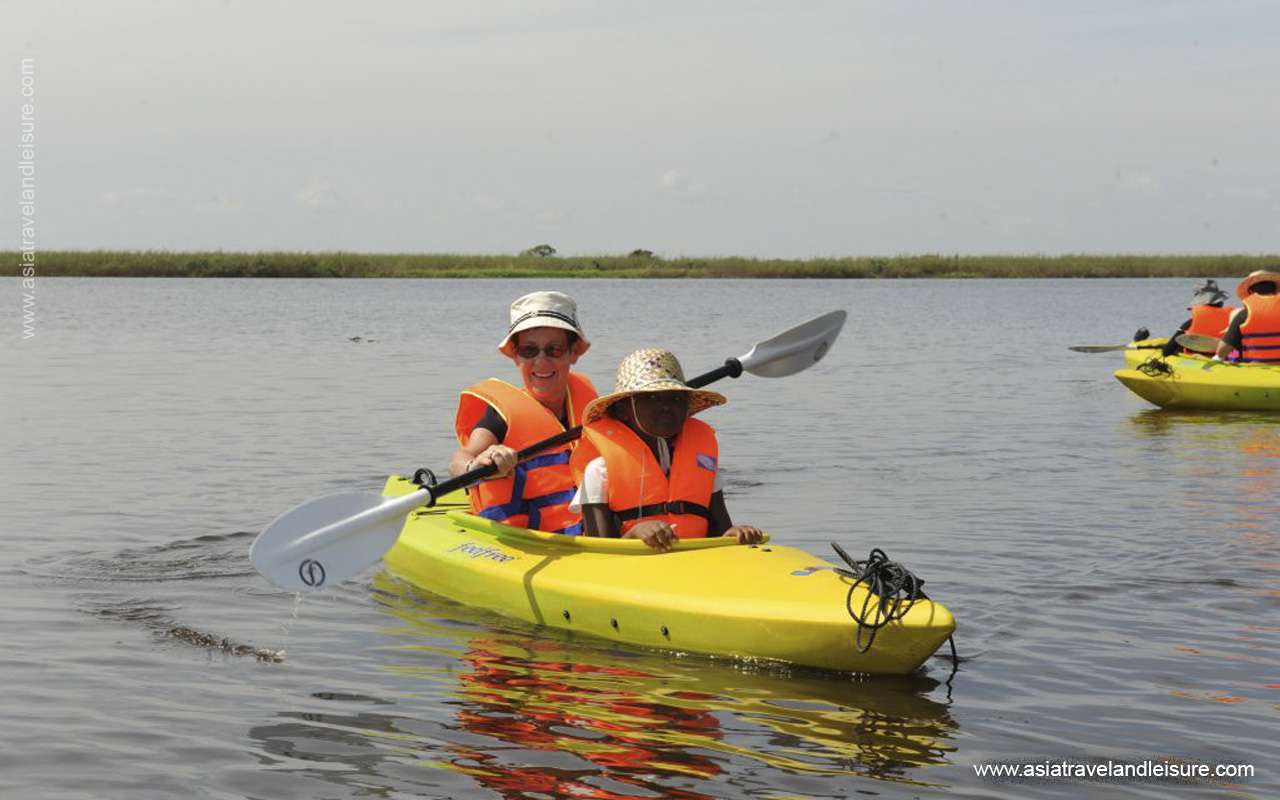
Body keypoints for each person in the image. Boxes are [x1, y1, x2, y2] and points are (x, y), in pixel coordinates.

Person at [569, 348, 764, 551]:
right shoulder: (599, 471)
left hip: (695, 568)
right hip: (632, 574)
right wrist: (633, 534)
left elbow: (720, 531)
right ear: (623, 410)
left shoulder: (703, 462)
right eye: (652, 398)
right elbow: (598, 553)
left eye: (676, 399)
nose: (667, 407)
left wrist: (734, 535)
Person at [450, 291, 597, 534]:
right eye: (529, 351)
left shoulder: (592, 408)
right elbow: (460, 460)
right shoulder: (500, 416)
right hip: (521, 539)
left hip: (587, 534)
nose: (541, 361)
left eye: (554, 350)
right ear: (517, 356)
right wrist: (476, 465)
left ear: (573, 353)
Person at [1215, 270, 1280, 363]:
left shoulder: (1244, 314)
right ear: (1275, 289)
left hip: (1256, 369)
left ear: (1251, 291)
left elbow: (1222, 351)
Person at [1160, 279, 1234, 356]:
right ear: (1220, 302)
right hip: (1222, 357)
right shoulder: (1232, 320)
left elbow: (1167, 351)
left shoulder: (1189, 323)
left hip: (1195, 358)